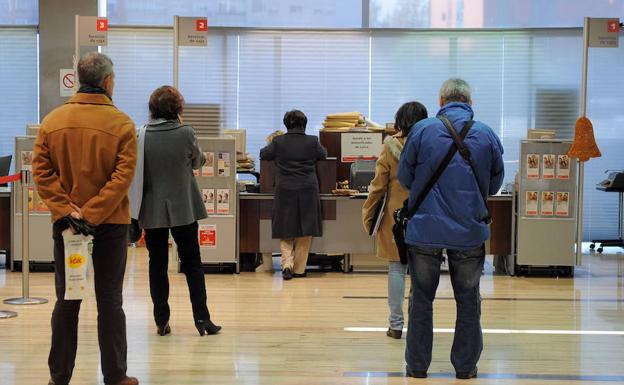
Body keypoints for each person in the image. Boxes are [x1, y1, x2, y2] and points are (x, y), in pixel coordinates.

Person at [32, 52, 139, 385]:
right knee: (110, 300)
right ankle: (115, 377)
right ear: (108, 82)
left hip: (67, 227)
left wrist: (69, 211)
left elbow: (41, 171)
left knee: (68, 299)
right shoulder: (122, 124)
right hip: (111, 224)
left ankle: (58, 377)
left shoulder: (52, 121)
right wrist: (93, 212)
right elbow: (122, 177)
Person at [398, 78, 504, 379]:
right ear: (470, 103)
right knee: (468, 301)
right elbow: (494, 184)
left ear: (441, 101)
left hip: (425, 230)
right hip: (469, 231)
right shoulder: (486, 134)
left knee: (421, 299)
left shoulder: (421, 130)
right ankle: (465, 367)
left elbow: (405, 177)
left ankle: (417, 367)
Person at [131, 85, 221, 337]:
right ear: (178, 109)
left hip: (152, 209)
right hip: (184, 207)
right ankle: (202, 319)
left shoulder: (142, 134)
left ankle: (161, 321)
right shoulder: (186, 132)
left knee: (156, 264)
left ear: (152, 109)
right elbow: (197, 161)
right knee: (192, 263)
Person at [361, 101, 428, 340]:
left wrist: (368, 213)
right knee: (422, 272)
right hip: (426, 214)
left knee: (396, 269)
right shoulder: (431, 146)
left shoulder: (390, 146)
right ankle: (420, 323)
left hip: (395, 217)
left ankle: (396, 325)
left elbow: (378, 186)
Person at [259, 110, 327, 280]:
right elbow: (323, 155)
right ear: (304, 124)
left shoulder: (279, 141)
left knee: (285, 228)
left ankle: (287, 263)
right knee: (305, 231)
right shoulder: (312, 141)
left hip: (285, 189)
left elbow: (263, 154)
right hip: (307, 189)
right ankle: (298, 269)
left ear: (286, 124)